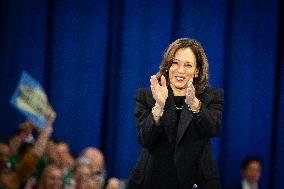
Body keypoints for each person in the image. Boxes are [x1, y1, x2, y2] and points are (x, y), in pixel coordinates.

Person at [127, 38, 224, 189]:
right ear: (168, 66)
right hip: (152, 180)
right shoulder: (147, 95)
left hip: (195, 181)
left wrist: (195, 105)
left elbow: (213, 129)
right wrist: (159, 106)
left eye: (188, 65)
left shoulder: (212, 96)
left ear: (197, 70)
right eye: (175, 63)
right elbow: (145, 140)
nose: (180, 70)